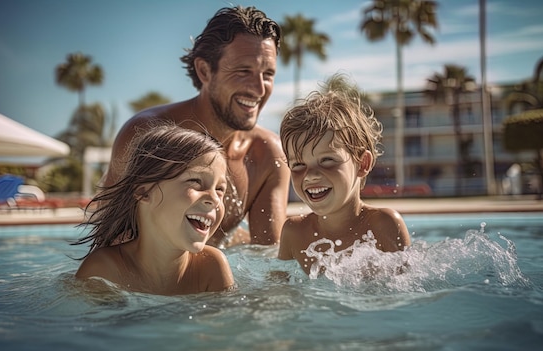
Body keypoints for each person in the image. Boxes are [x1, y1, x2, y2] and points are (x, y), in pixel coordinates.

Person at [103, 6, 289, 247]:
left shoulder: (266, 155)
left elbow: (270, 259)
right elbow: (112, 248)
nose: (259, 89)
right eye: (244, 71)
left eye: (268, 74)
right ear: (204, 70)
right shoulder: (148, 136)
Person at [74, 124, 235, 295]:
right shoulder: (104, 271)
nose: (214, 199)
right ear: (144, 192)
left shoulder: (211, 267)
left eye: (220, 189)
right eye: (195, 181)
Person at [277, 74, 411, 275]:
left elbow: (407, 289)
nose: (311, 175)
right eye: (298, 164)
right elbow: (279, 292)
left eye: (327, 160)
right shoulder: (294, 232)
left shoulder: (383, 224)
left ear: (362, 164)